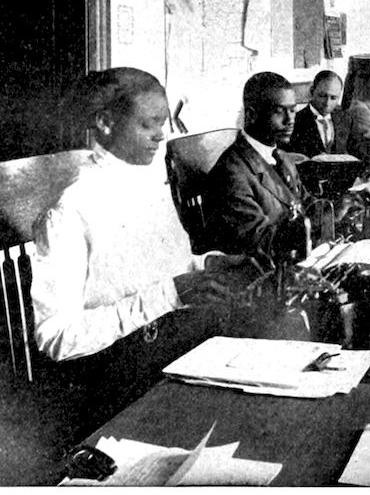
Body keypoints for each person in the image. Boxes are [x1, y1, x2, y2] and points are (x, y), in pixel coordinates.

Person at [31, 67, 263, 428]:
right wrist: (171, 294)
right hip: (116, 382)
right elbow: (57, 338)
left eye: (163, 122)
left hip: (174, 349)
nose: (161, 135)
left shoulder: (147, 181)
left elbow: (156, 270)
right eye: (148, 124)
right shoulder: (70, 210)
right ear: (105, 123)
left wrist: (209, 264)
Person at [205, 72, 308, 264]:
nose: (290, 120)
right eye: (279, 111)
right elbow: (258, 239)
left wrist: (336, 210)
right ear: (252, 115)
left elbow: (305, 205)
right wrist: (311, 228)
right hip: (258, 270)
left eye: (293, 110)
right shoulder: (231, 171)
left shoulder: (282, 158)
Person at [286, 70, 347, 158]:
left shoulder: (345, 119)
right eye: (322, 96)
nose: (327, 103)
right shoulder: (295, 121)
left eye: (333, 98)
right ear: (312, 91)